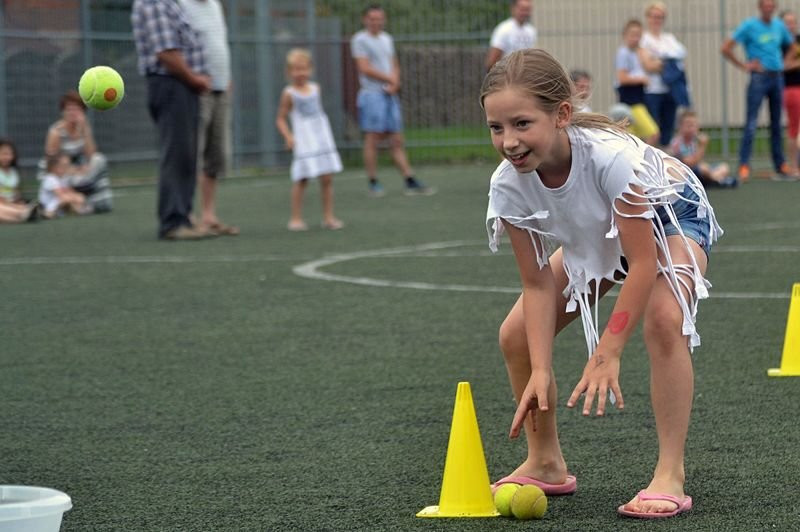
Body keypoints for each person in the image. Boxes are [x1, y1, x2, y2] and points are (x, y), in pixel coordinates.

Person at [481, 49, 721, 518]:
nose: (509, 141)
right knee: (516, 336)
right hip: (601, 230)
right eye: (496, 127)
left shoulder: (610, 159)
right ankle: (545, 462)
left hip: (670, 214)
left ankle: (669, 473)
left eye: (522, 124)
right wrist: (542, 369)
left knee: (664, 319)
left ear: (561, 115)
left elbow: (643, 263)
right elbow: (536, 287)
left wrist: (607, 350)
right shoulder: (507, 184)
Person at [132, 0, 214, 240]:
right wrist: (194, 78)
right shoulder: (153, 2)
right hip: (171, 85)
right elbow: (166, 52)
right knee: (176, 152)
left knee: (186, 154)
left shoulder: (171, 2)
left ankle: (184, 217)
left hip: (182, 87)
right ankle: (172, 222)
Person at [351, 4, 434, 197]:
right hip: (371, 95)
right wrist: (389, 79)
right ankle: (373, 181)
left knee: (396, 139)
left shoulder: (387, 38)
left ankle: (409, 179)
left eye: (379, 18)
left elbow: (393, 64)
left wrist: (395, 82)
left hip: (390, 95)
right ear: (365, 19)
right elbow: (364, 67)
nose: (376, 22)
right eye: (372, 18)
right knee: (373, 139)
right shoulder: (359, 39)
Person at [178, 0, 240, 235]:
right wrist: (192, 79)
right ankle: (186, 212)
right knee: (192, 153)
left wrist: (227, 76)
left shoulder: (215, 4)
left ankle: (208, 214)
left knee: (216, 155)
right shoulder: (181, 5)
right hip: (197, 89)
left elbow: (220, 42)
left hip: (221, 88)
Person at [721, 0, 793, 182]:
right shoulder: (749, 26)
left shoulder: (779, 26)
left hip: (777, 77)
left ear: (774, 7)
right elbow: (726, 48)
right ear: (760, 7)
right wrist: (744, 65)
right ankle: (744, 165)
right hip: (759, 78)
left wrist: (785, 63)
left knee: (777, 124)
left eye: (771, 5)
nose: (769, 8)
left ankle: (780, 165)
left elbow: (791, 46)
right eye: (765, 5)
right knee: (751, 123)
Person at [276, 49, 344, 232]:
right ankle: (296, 218)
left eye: (304, 69)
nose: (300, 73)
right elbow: (280, 118)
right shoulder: (289, 93)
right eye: (296, 69)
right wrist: (289, 137)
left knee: (327, 177)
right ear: (289, 72)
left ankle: (328, 217)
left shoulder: (316, 89)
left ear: (310, 69)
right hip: (304, 138)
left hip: (321, 136)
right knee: (302, 178)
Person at [40, 91, 112, 213]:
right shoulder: (56, 132)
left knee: (99, 160)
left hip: (83, 174)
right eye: (69, 109)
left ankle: (89, 201)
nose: (72, 113)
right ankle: (84, 202)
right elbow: (51, 164)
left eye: (77, 109)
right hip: (61, 174)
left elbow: (91, 156)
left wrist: (85, 129)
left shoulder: (83, 127)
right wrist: (74, 170)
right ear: (63, 111)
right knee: (91, 185)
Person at [641, 2, 690, 147]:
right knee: (653, 129)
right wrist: (667, 61)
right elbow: (648, 65)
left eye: (660, 17)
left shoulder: (668, 38)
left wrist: (660, 59)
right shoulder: (644, 39)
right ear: (647, 17)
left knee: (668, 128)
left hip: (669, 89)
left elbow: (680, 54)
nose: (657, 20)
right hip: (652, 90)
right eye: (654, 16)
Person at [615, 19, 660, 146]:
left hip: (638, 98)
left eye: (638, 35)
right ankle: (645, 162)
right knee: (653, 133)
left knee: (632, 138)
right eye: (632, 35)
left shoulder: (637, 53)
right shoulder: (623, 53)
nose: (636, 39)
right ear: (625, 35)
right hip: (631, 100)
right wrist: (641, 79)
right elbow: (622, 78)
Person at [669, 110, 737, 188]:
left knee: (724, 167)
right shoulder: (677, 143)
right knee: (703, 169)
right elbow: (690, 163)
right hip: (685, 173)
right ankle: (718, 181)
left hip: (698, 170)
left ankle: (714, 180)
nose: (692, 128)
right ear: (680, 127)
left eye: (694, 125)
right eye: (688, 125)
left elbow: (699, 161)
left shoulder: (694, 141)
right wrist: (702, 146)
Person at [486, 0, 537, 71]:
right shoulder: (504, 29)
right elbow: (493, 58)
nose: (525, 13)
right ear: (513, 9)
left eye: (527, 10)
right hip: (506, 74)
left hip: (524, 73)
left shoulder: (531, 30)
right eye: (522, 9)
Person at [38, 153, 91, 218]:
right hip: (48, 204)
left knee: (79, 197)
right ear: (53, 168)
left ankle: (79, 210)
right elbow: (60, 195)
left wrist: (77, 197)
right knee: (65, 199)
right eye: (62, 166)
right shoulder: (50, 178)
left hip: (59, 202)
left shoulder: (64, 177)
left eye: (66, 166)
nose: (65, 168)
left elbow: (70, 191)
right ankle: (48, 213)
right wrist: (74, 198)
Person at [780, 10, 800, 180]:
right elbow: (783, 66)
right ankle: (793, 167)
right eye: (787, 22)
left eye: (793, 22)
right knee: (794, 128)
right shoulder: (780, 44)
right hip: (792, 89)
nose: (790, 25)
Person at [0, 138, 38, 223]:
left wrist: (18, 202)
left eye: (10, 154)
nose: (7, 157)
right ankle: (24, 213)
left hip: (10, 203)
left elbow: (16, 193)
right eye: (4, 154)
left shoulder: (14, 172)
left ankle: (24, 214)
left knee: (20, 207)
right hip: (3, 203)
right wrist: (15, 206)